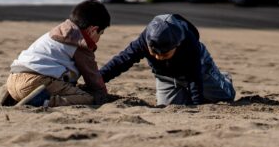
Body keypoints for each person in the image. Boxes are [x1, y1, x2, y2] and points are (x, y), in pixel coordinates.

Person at [99, 13, 235, 106]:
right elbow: (121, 61)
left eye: (164, 54)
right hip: (166, 77)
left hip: (199, 70)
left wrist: (197, 106)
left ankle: (224, 78)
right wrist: (97, 79)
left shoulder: (188, 43)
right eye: (154, 53)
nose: (158, 57)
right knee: (168, 106)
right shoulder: (142, 42)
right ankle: (182, 92)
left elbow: (194, 77)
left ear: (177, 45)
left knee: (226, 97)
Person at [5, 0, 110, 106]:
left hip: (12, 79)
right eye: (100, 33)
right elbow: (92, 77)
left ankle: (10, 98)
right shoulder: (80, 44)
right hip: (35, 82)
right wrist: (102, 94)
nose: (98, 39)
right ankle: (43, 102)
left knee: (26, 89)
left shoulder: (56, 33)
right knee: (87, 98)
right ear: (93, 30)